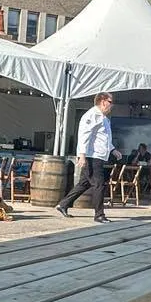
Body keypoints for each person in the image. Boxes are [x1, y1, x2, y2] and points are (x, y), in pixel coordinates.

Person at [55, 92, 114, 222]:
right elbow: (84, 136)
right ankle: (99, 215)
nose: (112, 105)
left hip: (99, 155)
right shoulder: (91, 115)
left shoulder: (104, 118)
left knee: (84, 184)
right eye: (110, 102)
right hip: (92, 156)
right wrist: (82, 155)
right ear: (103, 101)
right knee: (99, 185)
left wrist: (113, 149)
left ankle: (63, 204)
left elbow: (104, 138)